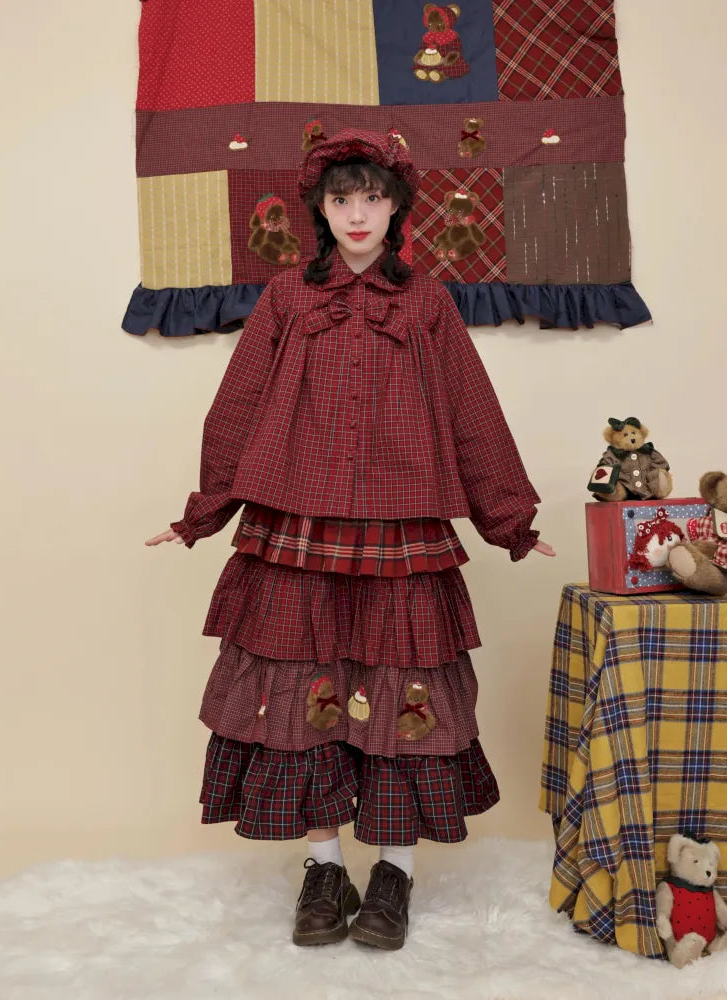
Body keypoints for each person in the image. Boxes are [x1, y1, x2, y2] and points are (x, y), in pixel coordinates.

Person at [146, 128, 555, 951]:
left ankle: (394, 874)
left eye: (373, 198)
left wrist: (510, 519)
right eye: (342, 200)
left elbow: (472, 411)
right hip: (296, 526)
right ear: (321, 210)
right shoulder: (287, 297)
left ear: (397, 207)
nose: (358, 214)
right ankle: (324, 869)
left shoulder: (428, 302)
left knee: (402, 693)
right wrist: (204, 511)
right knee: (304, 692)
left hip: (403, 529)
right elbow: (238, 403)